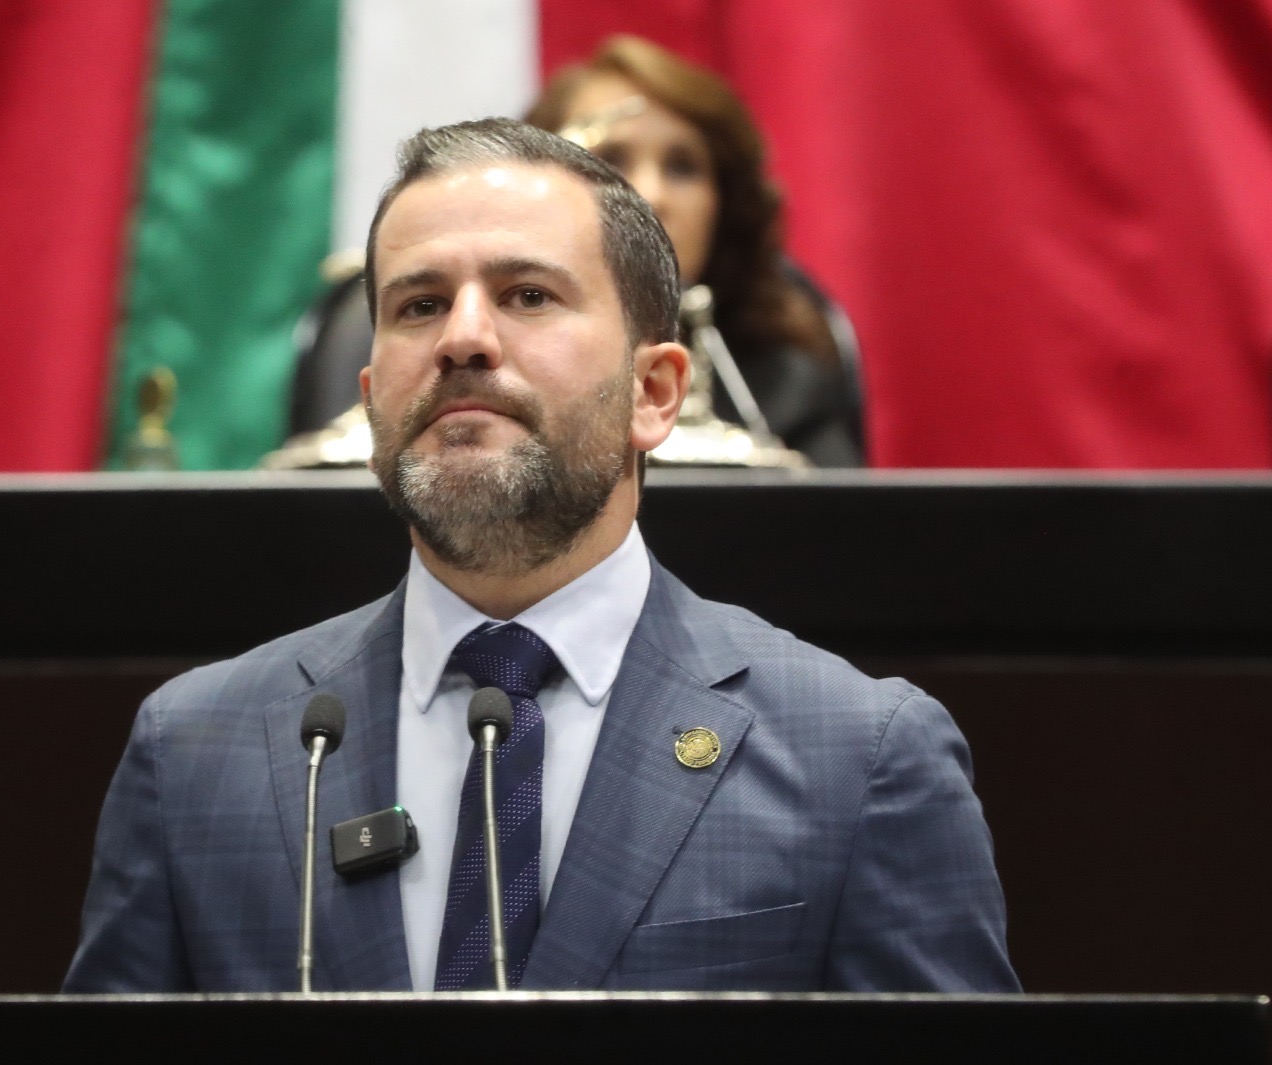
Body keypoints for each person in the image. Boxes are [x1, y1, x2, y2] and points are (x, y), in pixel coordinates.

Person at [66, 118, 1016, 993]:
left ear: (654, 391)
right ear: (370, 398)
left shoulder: (859, 755)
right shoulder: (194, 751)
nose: (463, 339)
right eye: (420, 304)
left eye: (528, 295)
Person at [526, 34, 864, 466]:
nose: (652, 194)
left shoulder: (787, 377)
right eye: (611, 160)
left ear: (723, 205)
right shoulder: (489, 355)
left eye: (682, 167)